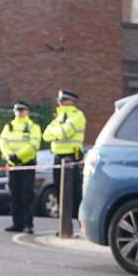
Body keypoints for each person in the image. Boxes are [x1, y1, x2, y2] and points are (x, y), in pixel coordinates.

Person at [44, 89, 88, 229]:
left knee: (74, 193)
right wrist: (57, 131)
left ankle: (79, 226)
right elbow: (45, 135)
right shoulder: (58, 117)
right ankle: (65, 227)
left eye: (62, 100)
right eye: (59, 100)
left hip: (72, 156)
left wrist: (55, 132)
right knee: (59, 192)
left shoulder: (77, 115)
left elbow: (64, 133)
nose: (59, 103)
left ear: (71, 101)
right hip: (58, 157)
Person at [0, 100, 42, 234]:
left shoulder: (33, 126)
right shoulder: (9, 126)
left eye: (21, 110)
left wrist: (18, 156)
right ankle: (17, 223)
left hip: (26, 164)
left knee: (27, 195)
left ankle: (28, 224)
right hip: (12, 165)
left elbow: (34, 144)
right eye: (16, 110)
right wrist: (8, 156)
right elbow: (2, 141)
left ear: (27, 112)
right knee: (14, 194)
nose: (19, 113)